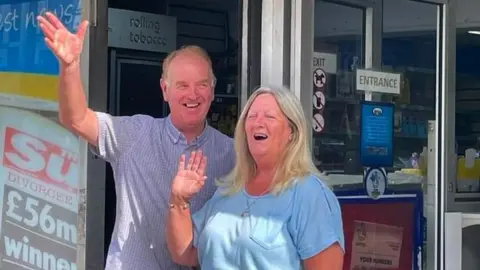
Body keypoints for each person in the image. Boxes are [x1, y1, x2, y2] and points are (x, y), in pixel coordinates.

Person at [37, 13, 235, 270]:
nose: (193, 94)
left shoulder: (231, 153)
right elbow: (75, 118)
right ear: (165, 90)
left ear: (212, 89)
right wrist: (70, 67)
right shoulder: (135, 134)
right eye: (182, 85)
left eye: (202, 84)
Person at [166, 85, 345, 270]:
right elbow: (185, 254)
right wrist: (179, 200)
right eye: (251, 116)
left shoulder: (310, 194)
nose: (258, 123)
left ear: (292, 131)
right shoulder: (229, 190)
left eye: (269, 116)